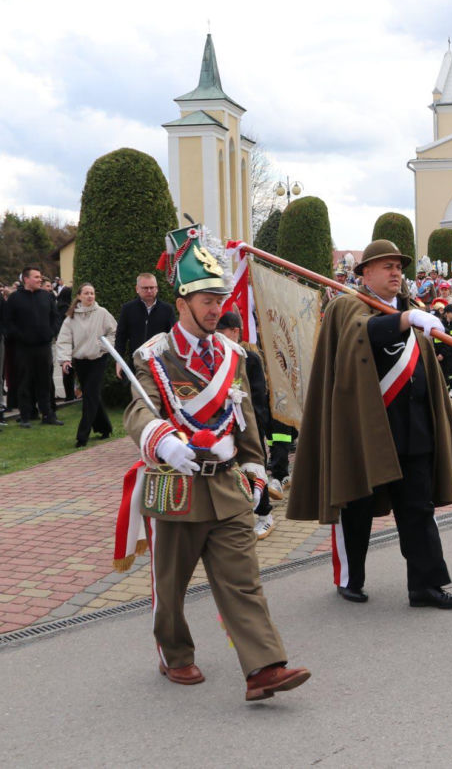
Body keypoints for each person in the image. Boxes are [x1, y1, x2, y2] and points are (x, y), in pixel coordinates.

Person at [120, 225, 310, 701]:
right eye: (205, 298)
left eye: (219, 297)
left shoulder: (233, 354)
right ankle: (176, 655)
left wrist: (256, 471)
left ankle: (264, 667)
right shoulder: (154, 356)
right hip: (175, 486)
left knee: (243, 583)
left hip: (226, 486)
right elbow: (137, 409)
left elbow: (244, 416)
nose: (215, 307)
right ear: (181, 303)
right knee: (171, 588)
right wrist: (162, 440)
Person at [288, 239, 452, 609]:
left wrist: (410, 317)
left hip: (413, 431)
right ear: (364, 273)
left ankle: (427, 585)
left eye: (398, 267)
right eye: (386, 266)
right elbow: (362, 331)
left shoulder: (410, 310)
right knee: (355, 508)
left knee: (419, 511)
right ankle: (350, 578)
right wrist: (406, 320)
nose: (395, 272)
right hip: (365, 432)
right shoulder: (346, 307)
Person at [216, 311, 276, 539]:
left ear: (235, 332)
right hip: (223, 427)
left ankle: (265, 515)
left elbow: (258, 395)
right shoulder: (216, 356)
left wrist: (257, 424)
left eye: (222, 332)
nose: (217, 336)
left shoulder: (249, 358)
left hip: (247, 424)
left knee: (253, 469)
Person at [55, 283, 117, 447]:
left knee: (89, 395)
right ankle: (105, 428)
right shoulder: (72, 317)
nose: (90, 296)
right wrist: (65, 359)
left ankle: (82, 436)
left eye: (92, 293)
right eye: (87, 293)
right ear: (79, 296)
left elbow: (114, 332)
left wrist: (104, 346)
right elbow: (64, 339)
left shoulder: (102, 313)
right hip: (81, 362)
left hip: (98, 359)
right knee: (92, 395)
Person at [4, 266, 62, 428]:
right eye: (36, 277)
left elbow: (55, 317)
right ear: (26, 279)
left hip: (44, 346)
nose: (40, 279)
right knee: (24, 382)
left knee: (45, 381)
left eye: (40, 277)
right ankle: (25, 416)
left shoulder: (47, 296)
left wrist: (51, 333)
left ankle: (48, 414)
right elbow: (8, 322)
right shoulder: (15, 299)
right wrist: (20, 336)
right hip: (23, 348)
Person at [114, 272, 175, 377]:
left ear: (157, 289)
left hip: (160, 364)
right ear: (137, 289)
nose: (149, 291)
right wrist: (119, 361)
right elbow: (121, 337)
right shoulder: (128, 309)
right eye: (145, 288)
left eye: (152, 287)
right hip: (136, 364)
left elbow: (172, 337)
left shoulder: (167, 310)